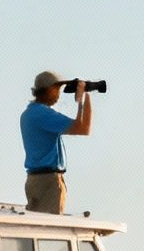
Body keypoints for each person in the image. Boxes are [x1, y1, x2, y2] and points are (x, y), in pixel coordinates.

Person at [20, 70, 94, 214]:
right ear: (48, 90)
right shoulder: (43, 114)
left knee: (37, 225)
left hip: (34, 179)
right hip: (48, 180)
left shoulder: (28, 114)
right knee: (49, 227)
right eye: (57, 89)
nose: (58, 94)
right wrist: (83, 99)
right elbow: (83, 128)